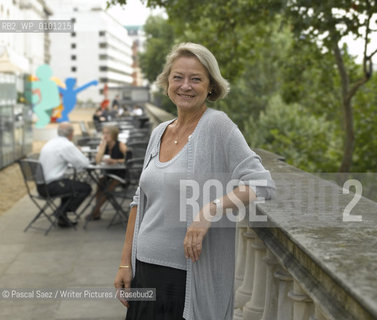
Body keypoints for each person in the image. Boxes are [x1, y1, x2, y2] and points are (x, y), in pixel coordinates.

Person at [113, 43, 276, 320]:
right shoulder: (159, 132)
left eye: (196, 78)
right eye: (178, 77)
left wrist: (210, 210)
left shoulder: (218, 126)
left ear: (210, 86)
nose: (185, 86)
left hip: (185, 278)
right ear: (167, 82)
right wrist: (124, 263)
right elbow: (140, 200)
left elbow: (262, 184)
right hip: (145, 269)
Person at [38, 122, 92, 227]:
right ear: (71, 133)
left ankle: (62, 217)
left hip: (42, 186)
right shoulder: (66, 145)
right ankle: (61, 212)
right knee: (86, 188)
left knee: (70, 185)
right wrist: (78, 152)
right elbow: (84, 163)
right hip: (52, 186)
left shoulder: (51, 142)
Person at [86, 124, 128, 220]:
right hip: (108, 173)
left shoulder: (120, 144)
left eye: (107, 133)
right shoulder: (104, 146)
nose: (105, 135)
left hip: (121, 174)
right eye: (104, 133)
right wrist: (102, 146)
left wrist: (116, 161)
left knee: (107, 190)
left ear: (114, 134)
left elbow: (129, 159)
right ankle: (97, 212)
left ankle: (95, 211)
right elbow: (97, 161)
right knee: (100, 184)